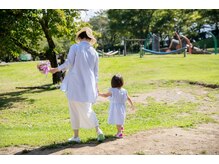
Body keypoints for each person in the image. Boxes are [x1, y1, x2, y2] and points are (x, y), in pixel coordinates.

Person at [49, 27, 105, 143]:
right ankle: (97, 131)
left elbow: (69, 63)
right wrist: (96, 86)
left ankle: (77, 136)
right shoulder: (94, 52)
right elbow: (96, 73)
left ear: (80, 37)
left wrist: (56, 69)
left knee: (74, 109)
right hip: (89, 84)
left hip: (75, 83)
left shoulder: (75, 47)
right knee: (87, 108)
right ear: (89, 38)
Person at [98, 74, 134, 138]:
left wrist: (99, 94)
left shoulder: (112, 90)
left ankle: (119, 133)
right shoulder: (124, 90)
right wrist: (132, 105)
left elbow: (105, 95)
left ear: (113, 82)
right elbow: (128, 98)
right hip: (122, 107)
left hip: (115, 108)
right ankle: (121, 127)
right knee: (120, 118)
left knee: (117, 120)